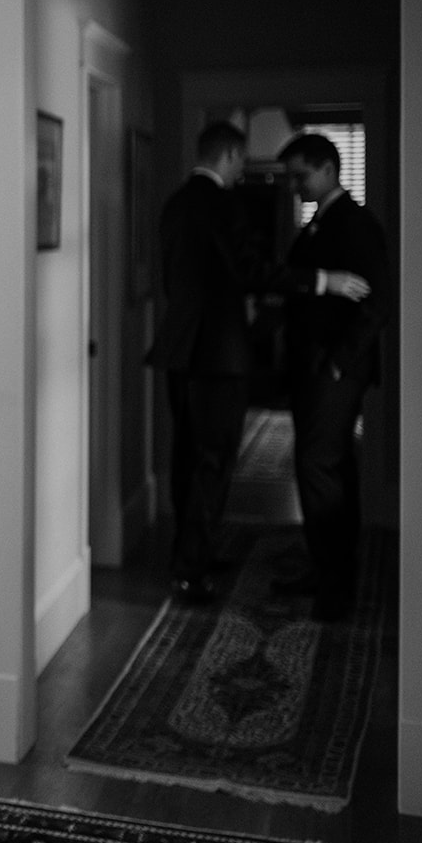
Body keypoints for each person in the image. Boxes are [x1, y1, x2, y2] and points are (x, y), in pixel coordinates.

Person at [274, 132, 388, 622]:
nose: (294, 186)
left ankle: (337, 587)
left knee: (321, 467)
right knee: (326, 467)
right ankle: (327, 569)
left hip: (334, 368)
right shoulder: (317, 222)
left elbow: (375, 303)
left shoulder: (355, 224)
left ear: (327, 169)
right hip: (313, 365)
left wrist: (341, 361)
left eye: (300, 176)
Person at [145, 122, 261, 604]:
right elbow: (251, 272)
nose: (243, 169)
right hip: (220, 355)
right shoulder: (227, 205)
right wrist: (318, 281)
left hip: (181, 350)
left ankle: (189, 553)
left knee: (188, 457)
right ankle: (191, 569)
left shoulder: (175, 203)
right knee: (213, 463)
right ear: (230, 155)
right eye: (242, 160)